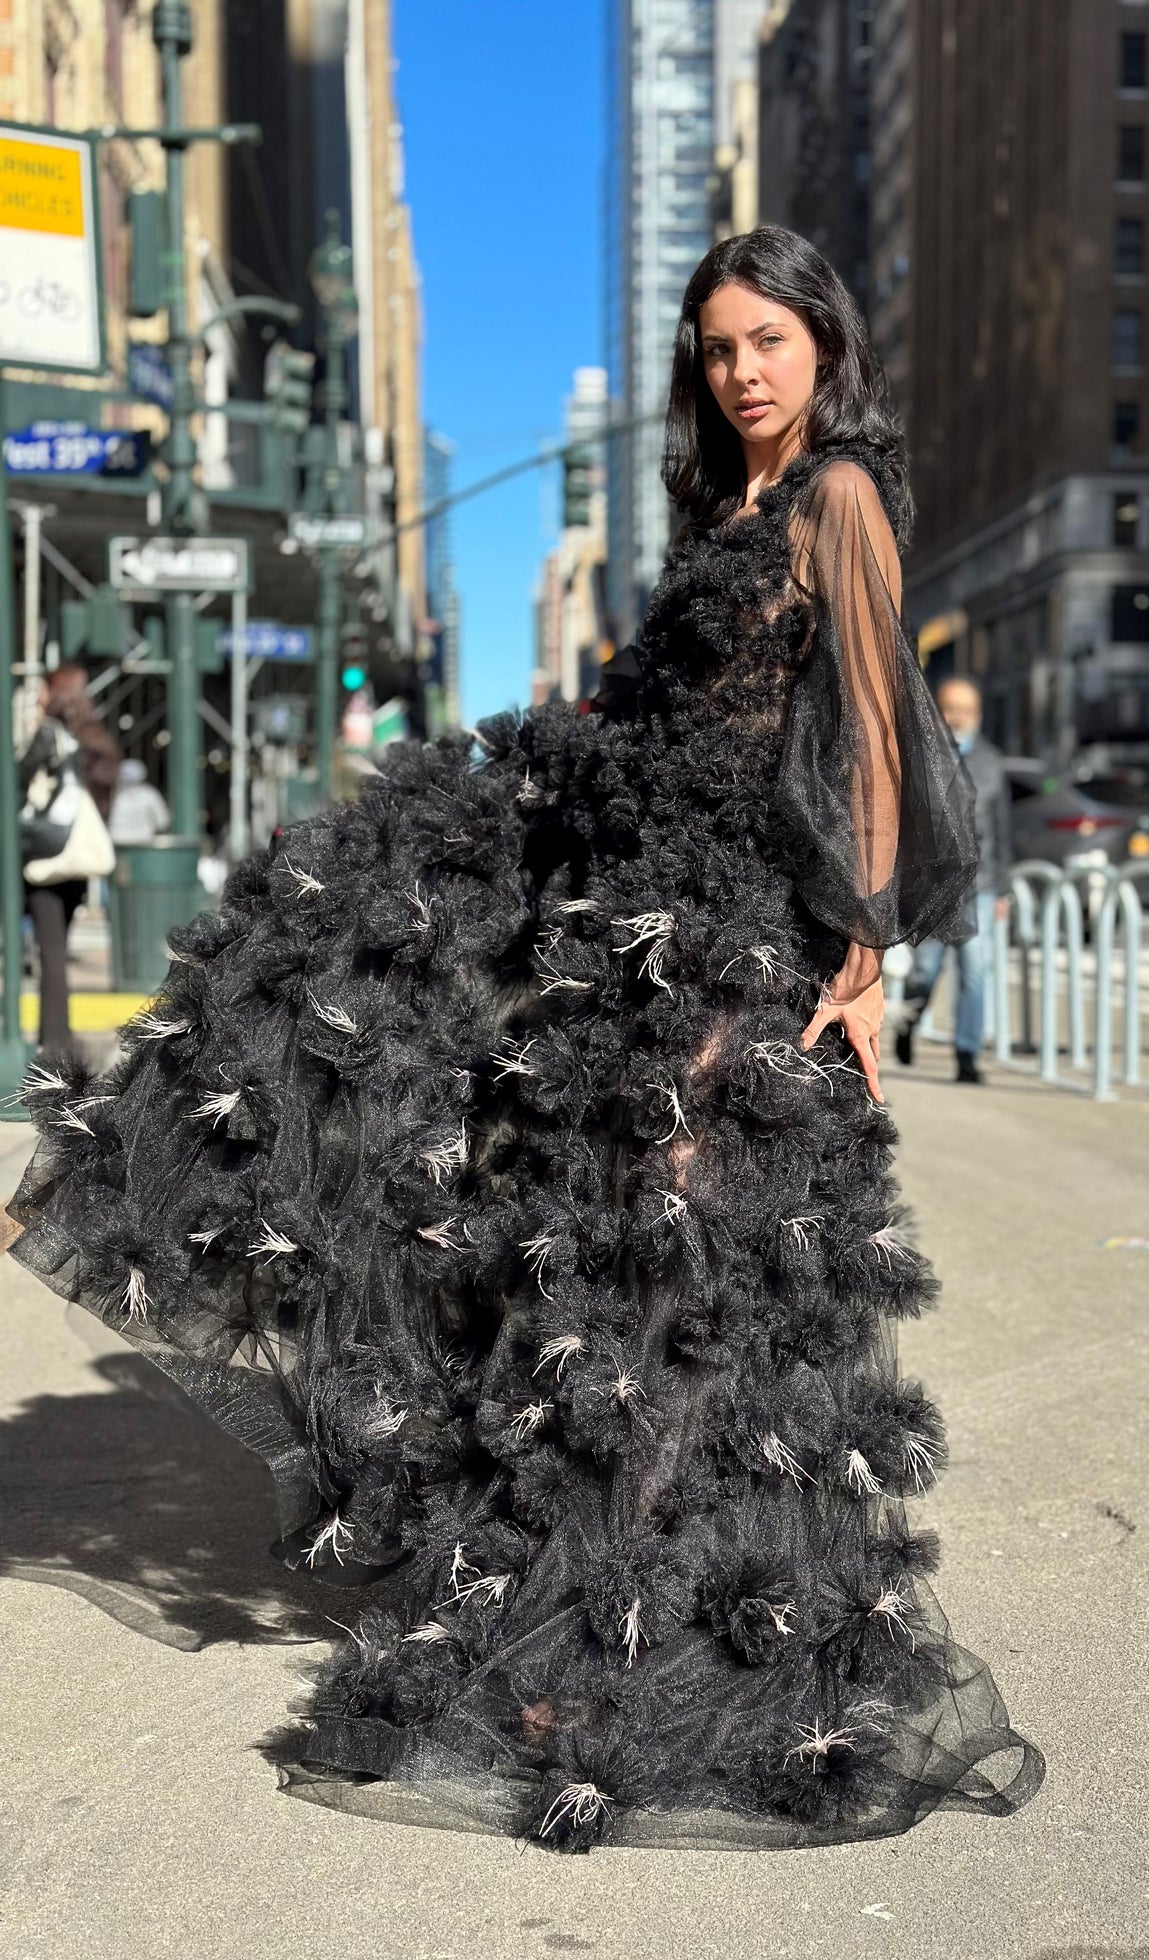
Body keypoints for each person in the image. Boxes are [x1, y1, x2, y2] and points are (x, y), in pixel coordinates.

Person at [7, 225, 1042, 1853]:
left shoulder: (839, 496)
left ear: (822, 345)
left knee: (654, 1291)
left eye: (766, 338)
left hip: (725, 933)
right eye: (716, 348)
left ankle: (607, 1638)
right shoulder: (738, 508)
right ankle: (592, 1610)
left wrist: (863, 945)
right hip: (618, 888)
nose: (742, 370)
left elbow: (873, 714)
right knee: (511, 1176)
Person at [894, 676, 1011, 1083]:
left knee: (976, 973)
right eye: (950, 707)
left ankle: (967, 1055)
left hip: (981, 885)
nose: (958, 716)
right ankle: (908, 1020)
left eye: (966, 708)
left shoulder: (993, 763)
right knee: (925, 971)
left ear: (977, 715)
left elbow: (1002, 830)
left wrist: (1005, 890)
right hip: (934, 886)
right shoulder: (921, 757)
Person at [15, 665, 119, 1054]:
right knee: (56, 946)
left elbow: (19, 782)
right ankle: (57, 1035)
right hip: (77, 858)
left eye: (41, 691)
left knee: (50, 949)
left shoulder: (49, 734)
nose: (37, 697)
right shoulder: (94, 738)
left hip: (45, 854)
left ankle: (54, 1041)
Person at [107, 758, 171, 846]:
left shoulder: (112, 794)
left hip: (116, 844)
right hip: (143, 845)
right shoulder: (150, 794)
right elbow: (162, 822)